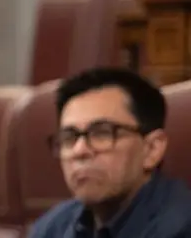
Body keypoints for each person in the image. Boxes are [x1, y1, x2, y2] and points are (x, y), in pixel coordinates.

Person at [29, 67, 191, 237]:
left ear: (152, 149)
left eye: (102, 133)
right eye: (69, 137)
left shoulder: (179, 227)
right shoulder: (54, 225)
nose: (79, 150)